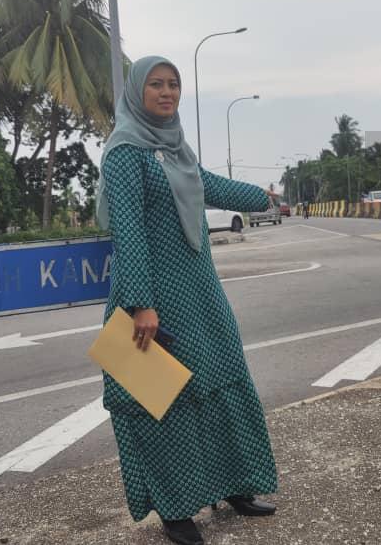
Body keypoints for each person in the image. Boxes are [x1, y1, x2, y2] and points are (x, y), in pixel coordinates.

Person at [96, 56, 278, 545]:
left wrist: (262, 197)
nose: (166, 92)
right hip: (153, 296)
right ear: (137, 92)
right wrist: (140, 302)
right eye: (155, 84)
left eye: (173, 84)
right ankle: (175, 510)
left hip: (200, 291)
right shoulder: (125, 153)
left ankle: (236, 485)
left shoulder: (176, 149)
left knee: (224, 378)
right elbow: (127, 231)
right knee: (163, 401)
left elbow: (209, 185)